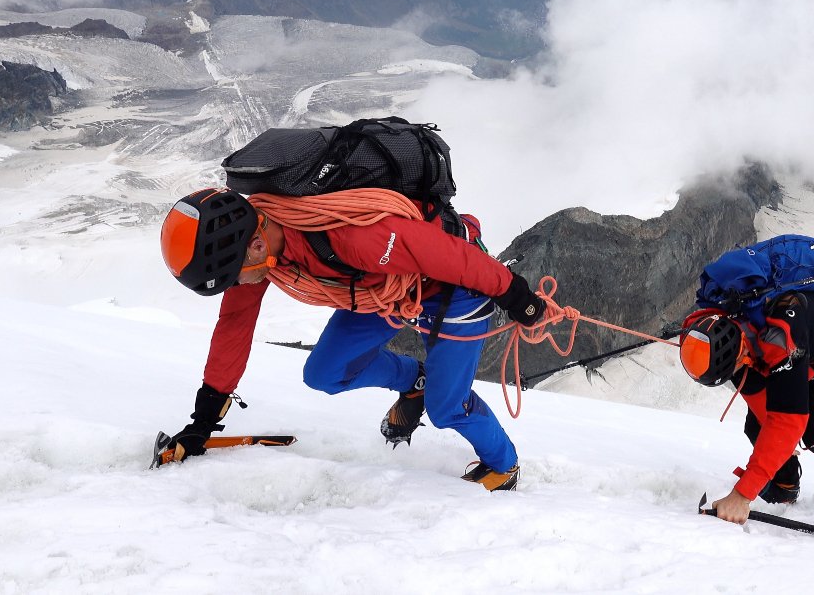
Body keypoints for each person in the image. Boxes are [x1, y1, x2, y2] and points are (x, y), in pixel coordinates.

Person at [158, 187, 546, 491]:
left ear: (256, 246)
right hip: (388, 291)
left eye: (233, 278)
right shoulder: (256, 246)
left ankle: (503, 464)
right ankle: (416, 382)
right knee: (325, 373)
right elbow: (235, 324)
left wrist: (516, 296)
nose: (236, 286)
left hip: (457, 288)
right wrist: (204, 418)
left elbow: (451, 256)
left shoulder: (352, 238)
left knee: (447, 408)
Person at [679, 264, 814, 523]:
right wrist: (778, 442)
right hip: (797, 349)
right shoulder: (711, 326)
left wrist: (742, 495)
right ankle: (784, 486)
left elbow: (789, 421)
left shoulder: (781, 336)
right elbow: (763, 404)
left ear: (740, 353)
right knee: (758, 426)